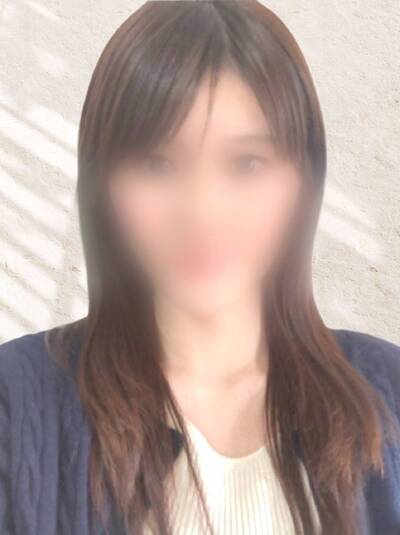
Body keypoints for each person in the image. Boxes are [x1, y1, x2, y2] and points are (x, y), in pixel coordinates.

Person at [0, 1, 399, 534]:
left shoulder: (389, 391)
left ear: (303, 182)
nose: (202, 212)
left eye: (246, 164)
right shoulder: (15, 401)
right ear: (102, 184)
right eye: (157, 164)